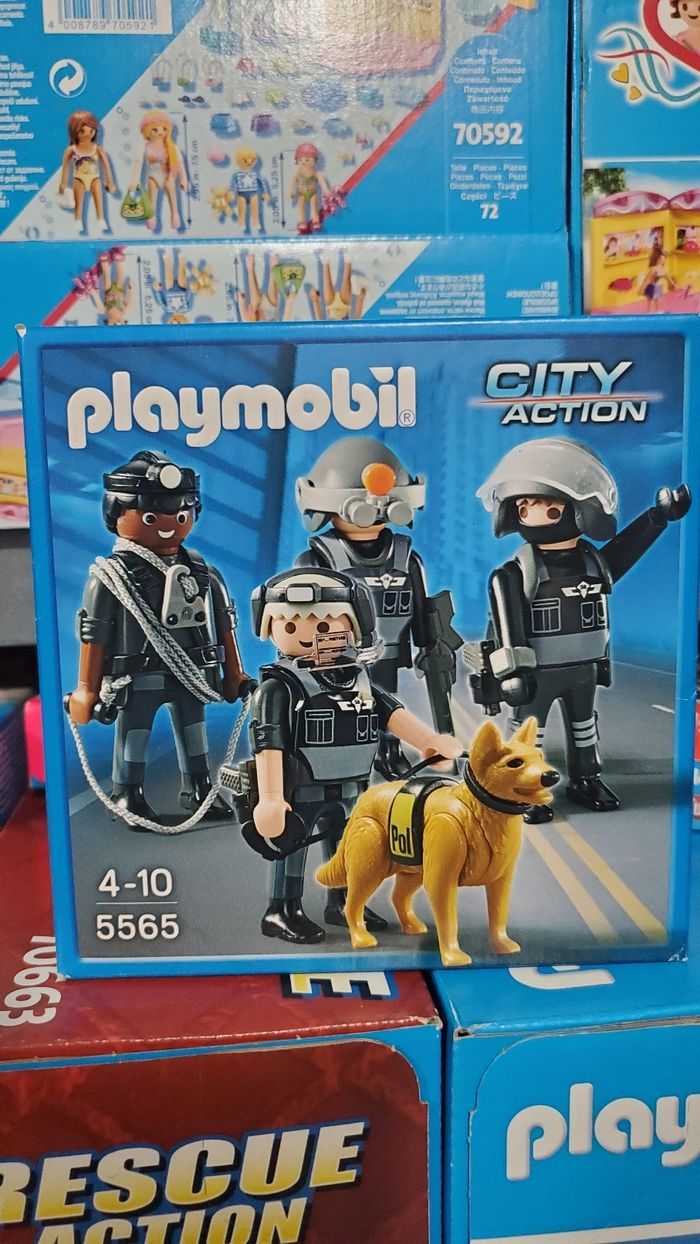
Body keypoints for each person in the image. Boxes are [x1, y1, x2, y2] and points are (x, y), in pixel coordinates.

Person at [473, 437, 690, 822]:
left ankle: (586, 778)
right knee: (528, 733)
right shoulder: (513, 575)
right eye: (524, 507)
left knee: (584, 726)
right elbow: (509, 628)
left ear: (583, 510)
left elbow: (626, 550)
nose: (533, 514)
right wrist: (512, 672)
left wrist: (657, 518)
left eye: (548, 507)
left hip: (583, 668)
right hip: (537, 672)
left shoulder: (594, 564)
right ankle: (521, 787)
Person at [247, 568, 463, 942]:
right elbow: (269, 743)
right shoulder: (279, 687)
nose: (309, 635)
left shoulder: (357, 677)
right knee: (291, 847)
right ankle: (282, 909)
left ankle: (344, 900)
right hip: (301, 787)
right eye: (290, 626)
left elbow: (390, 713)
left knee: (351, 845)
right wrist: (270, 797)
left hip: (352, 785)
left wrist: (427, 740)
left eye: (323, 625)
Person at [67, 451, 253, 827]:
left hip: (193, 674)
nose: (169, 525)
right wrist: (87, 689)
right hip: (137, 676)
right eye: (151, 517)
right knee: (134, 734)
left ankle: (199, 787)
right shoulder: (111, 576)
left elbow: (225, 624)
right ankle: (127, 792)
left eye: (181, 515)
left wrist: (234, 673)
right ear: (116, 514)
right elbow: (94, 634)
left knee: (194, 731)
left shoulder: (201, 572)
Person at [295, 438, 462, 779]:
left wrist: (432, 645)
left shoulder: (405, 558)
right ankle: (340, 758)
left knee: (387, 705)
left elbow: (422, 608)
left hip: (388, 653)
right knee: (338, 710)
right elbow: (298, 618)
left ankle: (389, 750)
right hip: (336, 658)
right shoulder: (318, 559)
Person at [59, 109, 115, 235]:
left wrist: (109, 181)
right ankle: (78, 220)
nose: (88, 133)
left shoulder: (97, 148)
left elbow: (106, 165)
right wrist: (63, 183)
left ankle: (100, 218)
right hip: (79, 178)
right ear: (75, 132)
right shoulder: (72, 149)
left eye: (91, 130)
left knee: (98, 198)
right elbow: (65, 166)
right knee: (78, 201)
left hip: (94, 177)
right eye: (82, 131)